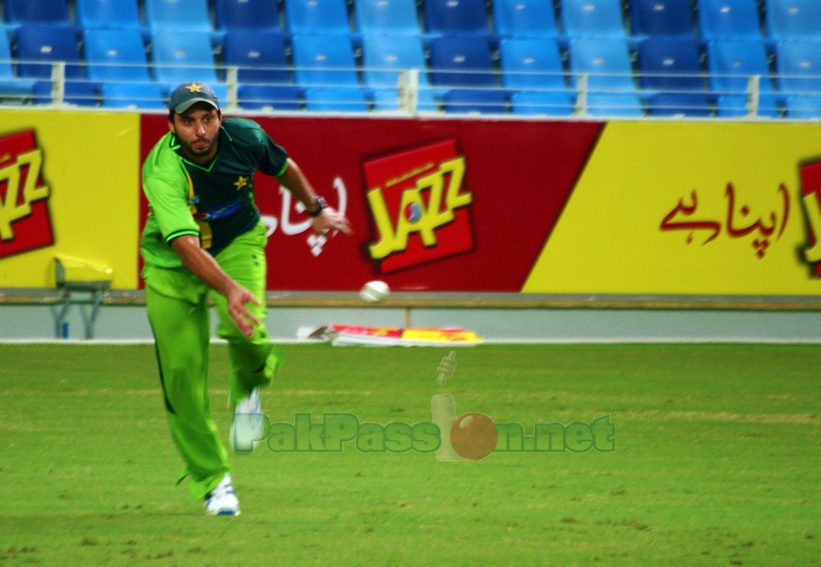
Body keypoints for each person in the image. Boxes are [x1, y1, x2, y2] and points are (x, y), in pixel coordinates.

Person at [140, 82, 352, 516]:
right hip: (171, 265)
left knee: (250, 335)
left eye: (207, 118)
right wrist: (228, 288)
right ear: (171, 126)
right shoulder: (162, 168)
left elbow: (283, 166)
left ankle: (248, 388)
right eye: (188, 121)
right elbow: (184, 245)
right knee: (181, 378)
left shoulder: (247, 137)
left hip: (237, 243)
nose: (200, 130)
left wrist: (316, 209)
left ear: (220, 117)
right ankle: (215, 481)